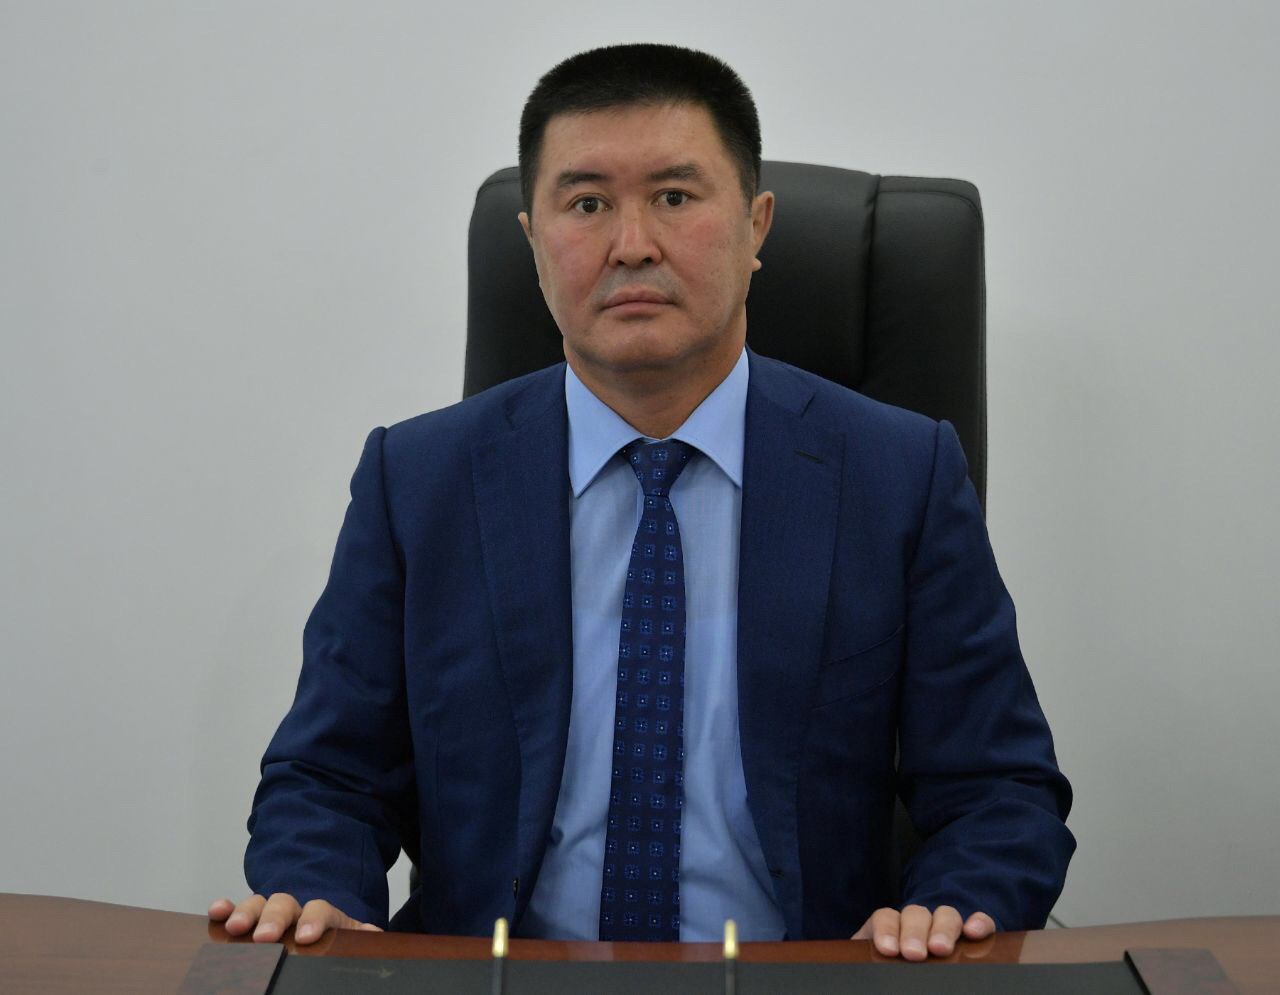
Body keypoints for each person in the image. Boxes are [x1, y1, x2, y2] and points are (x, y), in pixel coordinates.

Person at [210, 43, 1074, 961]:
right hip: (496, 980)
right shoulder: (417, 480)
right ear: (533, 242)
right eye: (587, 204)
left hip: (799, 978)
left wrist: (946, 907)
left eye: (674, 197)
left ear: (756, 225)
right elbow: (327, 776)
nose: (632, 245)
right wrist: (321, 895)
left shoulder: (897, 475)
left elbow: (998, 791)